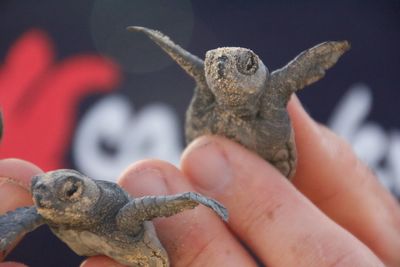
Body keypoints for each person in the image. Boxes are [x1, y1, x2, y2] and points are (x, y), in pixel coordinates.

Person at [1, 97, 399, 267]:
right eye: (42, 194)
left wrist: (196, 198)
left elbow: (146, 206)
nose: (52, 199)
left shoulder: (119, 215)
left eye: (69, 190)